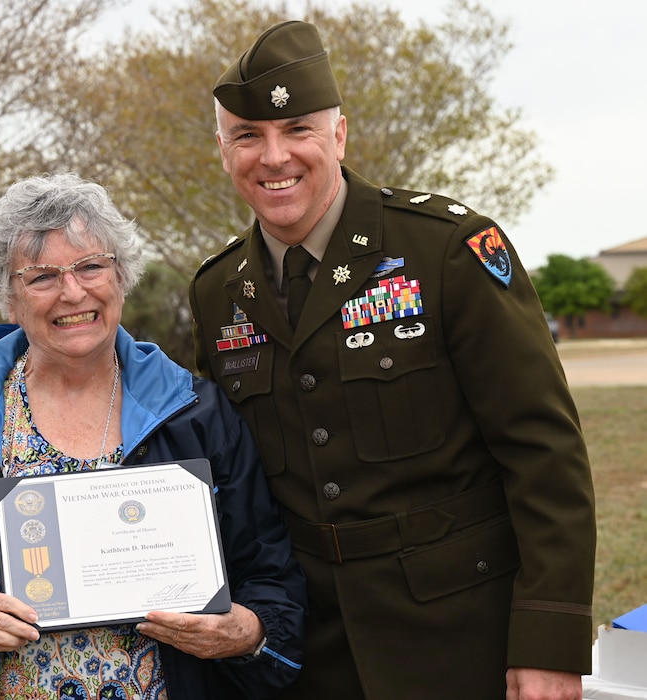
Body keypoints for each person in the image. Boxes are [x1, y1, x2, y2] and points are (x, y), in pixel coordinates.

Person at [188, 20, 596, 700]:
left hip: (459, 640)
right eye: (246, 136)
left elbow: (543, 454)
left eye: (297, 130)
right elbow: (227, 480)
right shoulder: (216, 291)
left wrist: (547, 644)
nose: (273, 156)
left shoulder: (444, 251)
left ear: (339, 135)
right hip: (304, 656)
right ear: (222, 150)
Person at [0, 172, 307, 700]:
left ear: (121, 277)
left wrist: (248, 632)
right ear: (8, 299)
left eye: (90, 266)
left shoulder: (196, 415)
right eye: (41, 277)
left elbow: (271, 574)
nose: (72, 292)